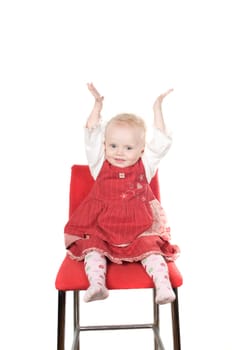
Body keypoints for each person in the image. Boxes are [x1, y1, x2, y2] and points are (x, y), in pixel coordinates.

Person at [64, 82, 180, 304]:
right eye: (114, 146)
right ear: (105, 145)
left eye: (128, 148)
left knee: (153, 252)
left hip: (139, 229)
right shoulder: (98, 164)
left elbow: (161, 143)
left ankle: (163, 287)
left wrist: (157, 108)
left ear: (141, 150)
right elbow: (90, 133)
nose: (119, 153)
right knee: (93, 249)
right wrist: (97, 106)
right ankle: (97, 284)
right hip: (102, 227)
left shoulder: (146, 166)